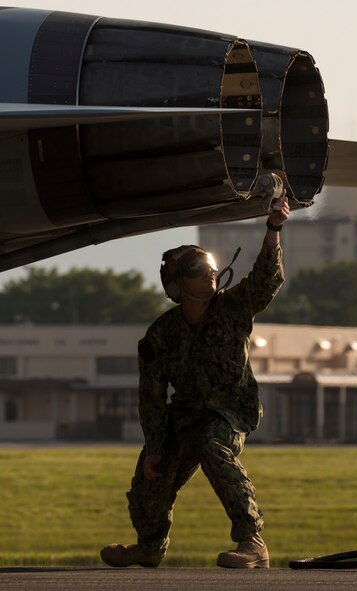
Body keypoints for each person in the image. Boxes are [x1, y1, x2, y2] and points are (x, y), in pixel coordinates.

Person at [101, 191, 290, 569]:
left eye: (209, 265)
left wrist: (273, 228)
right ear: (177, 286)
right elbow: (151, 397)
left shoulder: (233, 308)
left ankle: (252, 541)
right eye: (196, 269)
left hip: (229, 412)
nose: (209, 272)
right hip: (184, 415)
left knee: (211, 444)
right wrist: (156, 445)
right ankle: (149, 547)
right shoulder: (160, 335)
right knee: (149, 478)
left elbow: (266, 280)